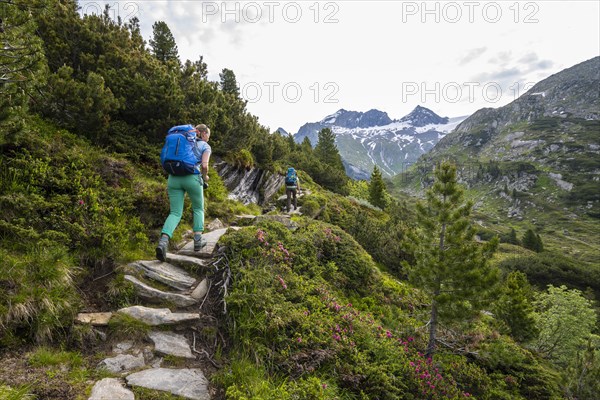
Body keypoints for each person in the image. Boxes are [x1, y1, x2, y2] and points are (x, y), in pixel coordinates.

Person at [156, 124, 212, 261]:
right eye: (208, 136)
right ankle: (198, 241)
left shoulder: (184, 140)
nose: (208, 139)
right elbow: (204, 165)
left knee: (175, 212)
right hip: (192, 177)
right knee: (198, 208)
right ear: (203, 134)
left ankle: (163, 242)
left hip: (173, 178)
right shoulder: (205, 146)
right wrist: (205, 177)